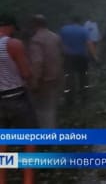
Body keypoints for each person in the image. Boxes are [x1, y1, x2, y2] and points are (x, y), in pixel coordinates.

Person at [0, 13, 37, 184]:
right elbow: (25, 73)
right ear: (10, 27)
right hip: (17, 98)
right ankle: (27, 180)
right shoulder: (13, 44)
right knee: (28, 141)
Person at [28, 15, 64, 128]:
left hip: (44, 80)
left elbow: (37, 62)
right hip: (56, 77)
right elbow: (61, 56)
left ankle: (47, 138)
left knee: (43, 110)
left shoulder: (36, 40)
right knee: (52, 107)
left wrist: (34, 81)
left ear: (34, 24)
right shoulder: (55, 37)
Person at [60, 16, 97, 104]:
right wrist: (94, 56)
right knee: (83, 76)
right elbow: (89, 44)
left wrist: (62, 54)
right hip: (82, 57)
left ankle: (69, 98)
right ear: (80, 21)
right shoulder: (84, 30)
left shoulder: (64, 29)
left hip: (69, 57)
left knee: (69, 77)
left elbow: (60, 43)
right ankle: (84, 95)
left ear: (71, 21)